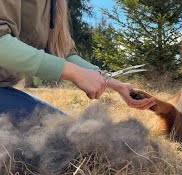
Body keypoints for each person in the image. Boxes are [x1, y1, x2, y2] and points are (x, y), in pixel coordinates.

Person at [0, 0, 156, 122]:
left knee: (65, 133)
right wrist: (74, 73)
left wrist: (114, 84)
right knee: (59, 141)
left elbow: (63, 52)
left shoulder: (56, 5)